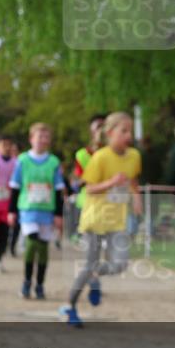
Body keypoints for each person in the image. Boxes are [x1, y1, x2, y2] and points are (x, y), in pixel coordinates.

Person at [60, 112, 143, 328]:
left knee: (120, 264)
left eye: (130, 130)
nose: (128, 135)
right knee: (88, 264)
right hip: (95, 220)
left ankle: (96, 275)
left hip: (117, 219)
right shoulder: (101, 157)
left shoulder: (134, 156)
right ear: (110, 133)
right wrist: (111, 182)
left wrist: (137, 199)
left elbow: (133, 180)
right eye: (123, 130)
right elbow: (89, 189)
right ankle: (71, 306)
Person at [8, 123, 66, 299]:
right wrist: (12, 211)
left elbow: (58, 191)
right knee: (32, 242)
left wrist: (58, 215)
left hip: (46, 211)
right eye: (38, 136)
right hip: (27, 209)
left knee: (43, 248)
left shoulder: (53, 162)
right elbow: (15, 187)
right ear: (31, 139)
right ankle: (27, 281)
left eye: (46, 137)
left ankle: (40, 284)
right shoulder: (22, 160)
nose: (42, 140)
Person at [71, 114, 108, 241]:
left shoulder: (118, 154)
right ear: (91, 131)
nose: (102, 130)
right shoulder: (82, 155)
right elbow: (76, 181)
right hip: (88, 204)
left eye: (105, 126)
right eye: (99, 126)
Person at [0, 135, 18, 272]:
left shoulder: (15, 162)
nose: (6, 148)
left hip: (7, 203)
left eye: (8, 145)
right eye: (3, 145)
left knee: (4, 233)